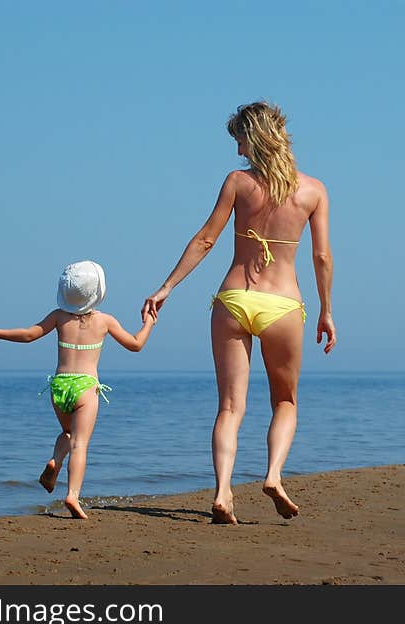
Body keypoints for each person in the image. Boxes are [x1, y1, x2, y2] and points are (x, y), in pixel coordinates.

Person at [142, 101, 336, 524]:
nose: (238, 152)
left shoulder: (238, 183)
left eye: (241, 141)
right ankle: (272, 475)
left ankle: (224, 493)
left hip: (234, 299)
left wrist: (166, 287)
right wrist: (326, 310)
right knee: (285, 401)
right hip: (284, 305)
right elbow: (321, 257)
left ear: (257, 137)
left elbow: (205, 240)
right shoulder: (313, 190)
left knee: (230, 407)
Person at [0, 260, 156, 519]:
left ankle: (55, 461)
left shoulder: (59, 317)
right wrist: (149, 323)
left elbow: (29, 334)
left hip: (59, 385)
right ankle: (72, 494)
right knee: (80, 444)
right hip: (85, 386)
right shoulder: (105, 321)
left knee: (68, 432)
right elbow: (136, 345)